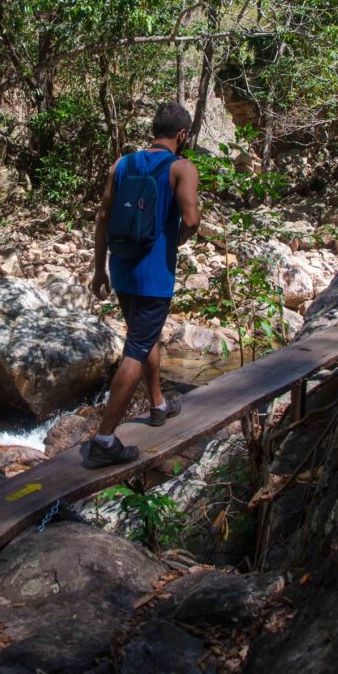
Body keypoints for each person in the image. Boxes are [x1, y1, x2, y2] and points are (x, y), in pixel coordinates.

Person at [86, 102, 201, 468]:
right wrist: (179, 238)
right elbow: (192, 219)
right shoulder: (181, 168)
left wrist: (98, 269)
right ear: (181, 135)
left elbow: (103, 216)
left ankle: (158, 405)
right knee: (136, 348)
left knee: (140, 334)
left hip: (121, 270)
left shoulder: (122, 164)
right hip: (154, 277)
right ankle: (104, 439)